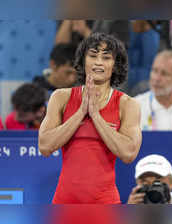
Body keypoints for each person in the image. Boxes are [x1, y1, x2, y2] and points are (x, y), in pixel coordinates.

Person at [38, 32, 142, 204]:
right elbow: (45, 146)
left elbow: (128, 153)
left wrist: (95, 115)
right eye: (93, 56)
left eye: (106, 57)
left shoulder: (127, 104)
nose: (99, 62)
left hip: (105, 202)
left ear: (115, 65)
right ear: (83, 61)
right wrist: (80, 113)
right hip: (65, 202)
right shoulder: (61, 97)